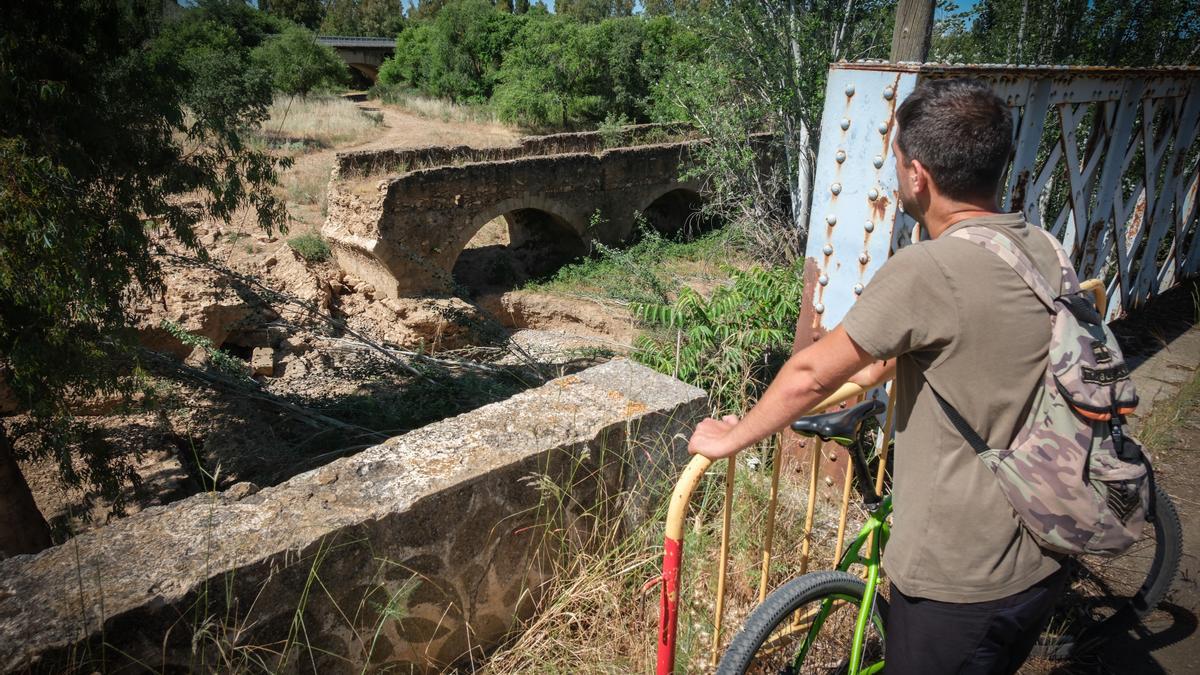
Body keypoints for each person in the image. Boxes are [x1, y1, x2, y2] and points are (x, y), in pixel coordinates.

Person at [688, 78, 1068, 674]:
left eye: (896, 161)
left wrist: (730, 436)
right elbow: (966, 343)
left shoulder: (929, 268)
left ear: (918, 175)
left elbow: (811, 373)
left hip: (959, 578)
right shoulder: (1043, 248)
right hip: (1043, 551)